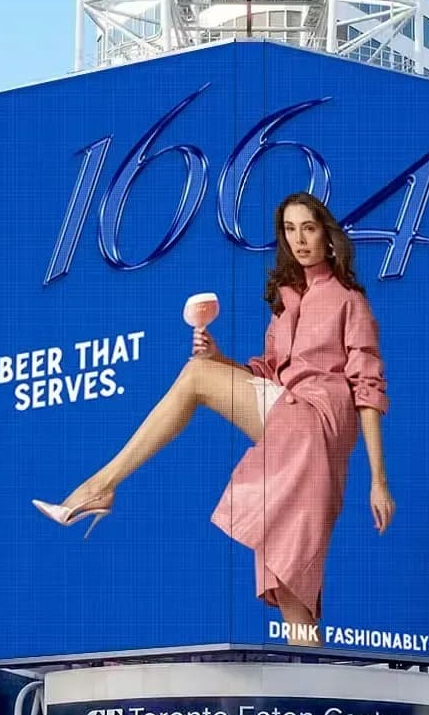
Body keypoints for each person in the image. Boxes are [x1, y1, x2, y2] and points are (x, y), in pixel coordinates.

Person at [36, 192, 394, 648]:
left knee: (194, 377)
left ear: (328, 235)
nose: (299, 239)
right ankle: (312, 694)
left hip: (318, 421)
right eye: (289, 229)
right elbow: (265, 374)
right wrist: (222, 360)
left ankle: (99, 486)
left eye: (309, 227)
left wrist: (378, 480)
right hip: (286, 417)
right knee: (290, 587)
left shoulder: (350, 302)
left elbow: (368, 389)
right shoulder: (284, 305)